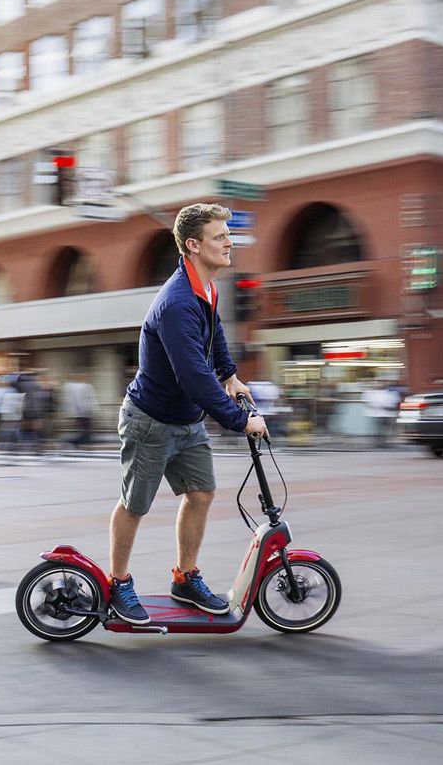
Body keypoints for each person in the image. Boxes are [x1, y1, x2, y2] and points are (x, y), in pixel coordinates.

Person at [108, 203, 268, 625]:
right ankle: (119, 582)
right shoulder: (177, 303)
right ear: (194, 245)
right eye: (220, 237)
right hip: (150, 420)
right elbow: (194, 378)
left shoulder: (206, 288)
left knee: (200, 494)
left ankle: (184, 577)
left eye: (227, 235)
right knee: (135, 504)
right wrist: (240, 421)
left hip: (187, 420)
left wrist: (231, 375)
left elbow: (214, 333)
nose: (229, 242)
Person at [62, 373, 98, 448]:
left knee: (84, 428)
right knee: (85, 429)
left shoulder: (81, 387)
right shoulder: (84, 387)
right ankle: (78, 442)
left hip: (82, 412)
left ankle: (81, 442)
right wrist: (93, 409)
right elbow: (89, 399)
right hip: (85, 412)